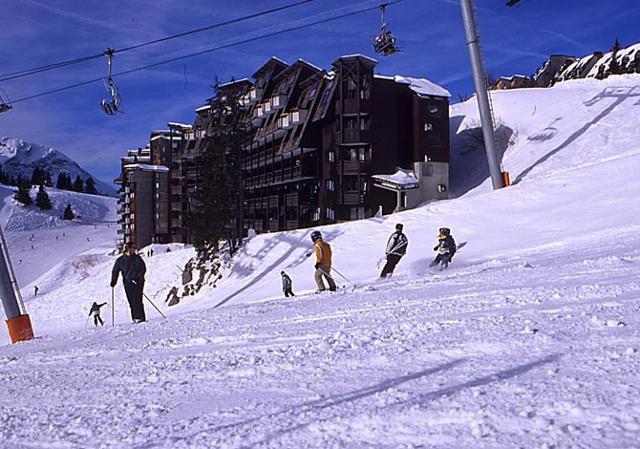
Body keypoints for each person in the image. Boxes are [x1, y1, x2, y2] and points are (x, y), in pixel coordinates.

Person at [110, 242, 147, 323]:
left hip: (138, 282)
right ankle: (134, 318)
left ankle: (140, 318)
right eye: (129, 249)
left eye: (133, 249)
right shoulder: (120, 260)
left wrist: (138, 278)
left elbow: (143, 269)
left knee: (137, 299)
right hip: (127, 283)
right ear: (126, 250)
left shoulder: (137, 259)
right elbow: (115, 271)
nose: (131, 251)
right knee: (131, 300)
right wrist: (113, 281)